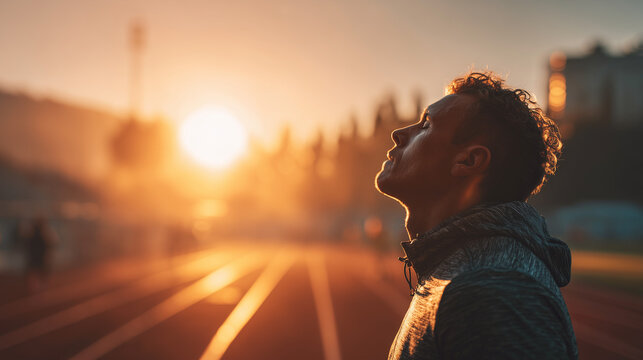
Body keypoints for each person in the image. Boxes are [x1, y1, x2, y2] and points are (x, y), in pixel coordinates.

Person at [375, 72, 577, 359]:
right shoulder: (467, 272)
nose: (399, 133)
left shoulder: (492, 292)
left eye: (426, 124)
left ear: (469, 161)